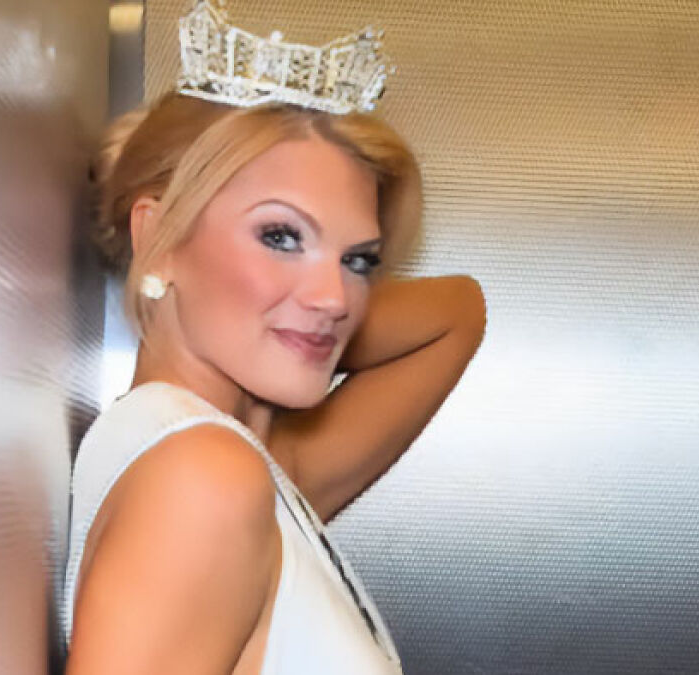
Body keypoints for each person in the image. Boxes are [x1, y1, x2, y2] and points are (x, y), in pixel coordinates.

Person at [62, 2, 486, 672]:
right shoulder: (203, 480)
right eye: (280, 236)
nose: (335, 297)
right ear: (156, 238)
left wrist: (292, 315)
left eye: (358, 259)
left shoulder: (240, 460)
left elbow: (458, 311)